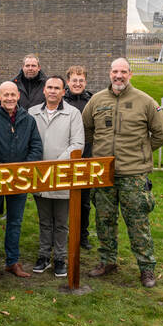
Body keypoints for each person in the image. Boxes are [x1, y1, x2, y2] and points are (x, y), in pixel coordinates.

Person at [82, 58, 163, 288]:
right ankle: (107, 261)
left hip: (134, 175)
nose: (118, 75)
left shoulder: (145, 101)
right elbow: (86, 130)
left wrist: (141, 150)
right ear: (109, 73)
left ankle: (146, 268)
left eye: (123, 71)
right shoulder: (97, 100)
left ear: (130, 74)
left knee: (138, 222)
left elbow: (162, 133)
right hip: (104, 172)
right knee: (104, 220)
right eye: (114, 71)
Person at [0, 81, 42, 282]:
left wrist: (21, 170)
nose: (9, 98)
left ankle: (12, 261)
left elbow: (36, 146)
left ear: (18, 96)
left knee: (15, 222)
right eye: (5, 94)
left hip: (19, 179)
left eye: (13, 94)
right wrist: (1, 170)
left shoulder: (28, 120)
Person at [28, 76, 84, 278]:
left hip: (62, 175)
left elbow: (77, 144)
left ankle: (60, 258)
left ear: (63, 91)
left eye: (57, 88)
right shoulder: (33, 112)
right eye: (49, 87)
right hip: (39, 175)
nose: (52, 91)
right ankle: (43, 255)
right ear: (44, 90)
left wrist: (57, 164)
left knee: (61, 221)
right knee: (44, 220)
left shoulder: (73, 114)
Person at [63, 65, 95, 250]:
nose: (77, 83)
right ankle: (61, 233)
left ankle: (83, 235)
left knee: (84, 201)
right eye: (74, 80)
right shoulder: (62, 100)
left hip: (86, 157)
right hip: (66, 154)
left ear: (85, 82)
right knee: (62, 201)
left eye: (80, 80)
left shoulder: (91, 101)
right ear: (68, 82)